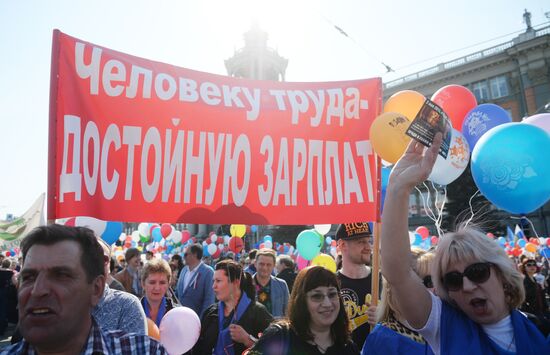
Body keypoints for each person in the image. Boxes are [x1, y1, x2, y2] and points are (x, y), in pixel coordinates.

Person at [380, 134, 549, 354]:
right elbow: (398, 273)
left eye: (477, 272)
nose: (467, 286)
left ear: (503, 276)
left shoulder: (541, 332)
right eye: (453, 280)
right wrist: (398, 188)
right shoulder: (443, 326)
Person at [3, 224, 165, 354]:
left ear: (96, 289)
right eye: (29, 277)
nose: (37, 290)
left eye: (60, 275)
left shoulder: (142, 350)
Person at [248, 266, 359, 355]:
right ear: (301, 301)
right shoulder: (279, 337)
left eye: (332, 294)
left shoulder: (348, 348)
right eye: (317, 296)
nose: (327, 304)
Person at [362, 248, 435, 355]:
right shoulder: (382, 339)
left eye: (439, 280)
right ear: (399, 288)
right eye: (430, 282)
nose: (436, 289)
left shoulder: (445, 327)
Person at [193, 259, 273, 355]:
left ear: (236, 282)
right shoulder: (210, 313)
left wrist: (248, 340)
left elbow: (275, 349)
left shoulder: (257, 312)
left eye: (218, 281)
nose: (213, 286)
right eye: (213, 281)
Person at [335, 222, 378, 348]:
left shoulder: (382, 280)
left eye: (369, 241)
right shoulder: (331, 284)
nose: (368, 247)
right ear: (342, 245)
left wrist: (384, 321)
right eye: (361, 242)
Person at [93, 238, 148, 334]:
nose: (139, 259)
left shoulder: (127, 304)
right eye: (136, 256)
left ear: (109, 265)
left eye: (103, 259)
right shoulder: (120, 276)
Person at [176, 243, 215, 317]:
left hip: (197, 320)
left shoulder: (208, 272)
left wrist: (202, 321)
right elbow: (178, 294)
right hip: (180, 318)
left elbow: (209, 300)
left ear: (195, 255)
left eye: (186, 254)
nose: (183, 257)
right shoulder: (184, 270)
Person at [140, 258, 180, 327]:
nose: (157, 288)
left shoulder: (177, 313)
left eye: (162, 283)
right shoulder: (133, 312)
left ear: (168, 284)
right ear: (143, 284)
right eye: (152, 282)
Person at [253, 248, 289, 317]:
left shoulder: (282, 285)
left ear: (274, 265)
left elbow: (287, 311)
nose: (265, 268)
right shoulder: (246, 284)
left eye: (268, 265)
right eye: (261, 264)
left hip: (275, 326)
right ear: (255, 264)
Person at [519, 258, 550, 335]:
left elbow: (540, 296)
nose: (532, 266)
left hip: (542, 311)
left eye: (534, 264)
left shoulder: (535, 280)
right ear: (524, 268)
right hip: (533, 314)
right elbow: (522, 301)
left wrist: (542, 288)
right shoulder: (524, 282)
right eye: (529, 265)